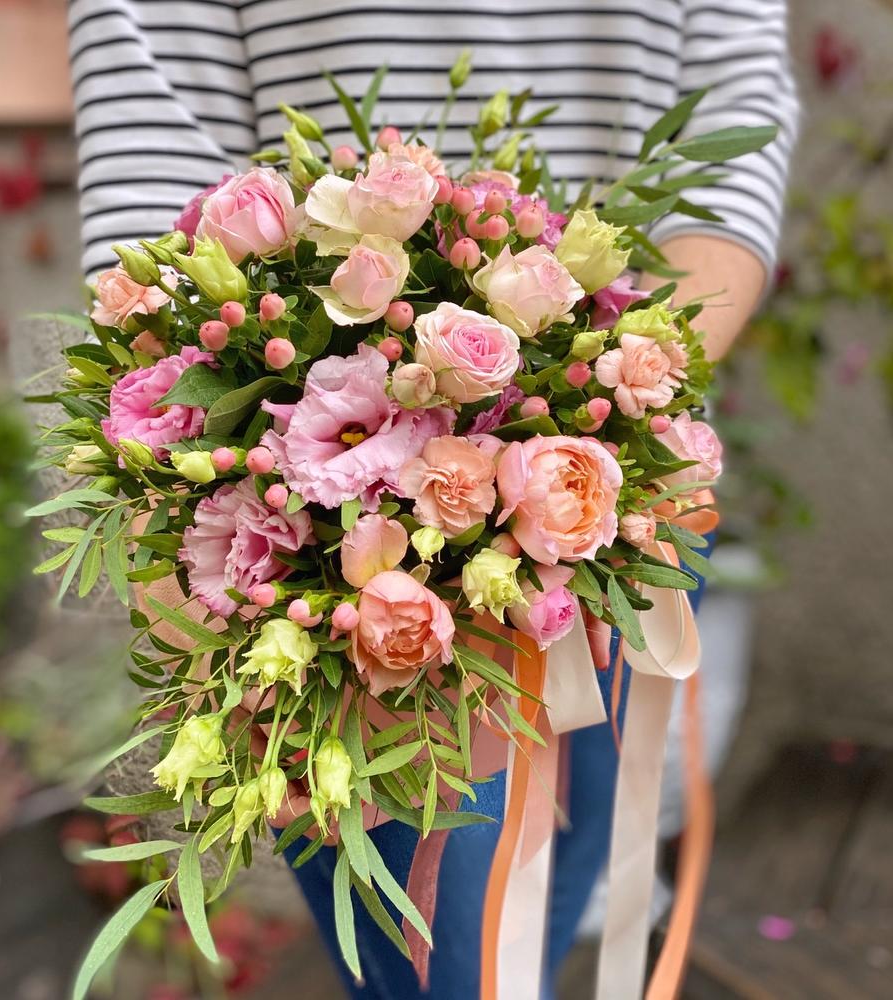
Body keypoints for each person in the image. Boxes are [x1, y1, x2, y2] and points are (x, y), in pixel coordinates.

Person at [66, 2, 798, 997]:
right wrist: (217, 614)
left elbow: (734, 105)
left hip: (610, 506)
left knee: (538, 931)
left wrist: (617, 403)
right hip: (327, 571)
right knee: (446, 971)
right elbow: (148, 138)